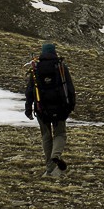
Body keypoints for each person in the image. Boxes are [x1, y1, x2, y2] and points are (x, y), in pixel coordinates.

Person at [23, 42, 75, 179]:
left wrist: (28, 108)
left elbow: (30, 91)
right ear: (54, 52)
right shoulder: (61, 67)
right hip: (60, 108)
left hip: (42, 109)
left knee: (46, 136)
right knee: (60, 134)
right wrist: (71, 106)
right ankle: (55, 156)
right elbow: (69, 88)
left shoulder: (36, 69)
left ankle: (50, 168)